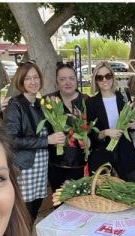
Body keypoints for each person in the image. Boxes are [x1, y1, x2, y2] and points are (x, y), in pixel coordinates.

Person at [3, 62, 65, 222]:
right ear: (21, 81)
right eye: (28, 78)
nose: (33, 81)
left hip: (40, 167)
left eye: (36, 77)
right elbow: (12, 140)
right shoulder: (15, 105)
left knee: (34, 210)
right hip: (25, 168)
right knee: (23, 214)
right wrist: (47, 140)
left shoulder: (40, 104)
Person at [88, 62, 135, 181]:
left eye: (108, 76)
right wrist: (106, 132)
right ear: (95, 80)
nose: (104, 80)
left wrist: (133, 125)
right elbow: (91, 133)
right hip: (102, 155)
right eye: (100, 77)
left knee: (132, 191)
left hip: (125, 152)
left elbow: (131, 124)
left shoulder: (123, 96)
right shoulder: (91, 103)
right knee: (104, 195)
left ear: (113, 77)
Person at [44, 63, 89, 192]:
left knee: (80, 203)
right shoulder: (48, 101)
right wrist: (6, 110)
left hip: (81, 164)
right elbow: (31, 122)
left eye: (71, 78)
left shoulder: (86, 101)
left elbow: (95, 129)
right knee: (59, 203)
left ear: (76, 80)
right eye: (62, 79)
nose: (67, 82)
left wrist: (90, 139)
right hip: (56, 165)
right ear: (56, 82)